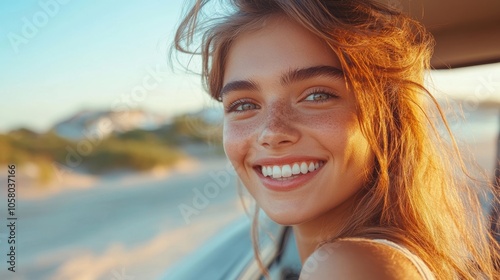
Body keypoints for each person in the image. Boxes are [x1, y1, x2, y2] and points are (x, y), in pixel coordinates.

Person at [174, 0, 500, 278]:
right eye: (244, 105)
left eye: (316, 96)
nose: (272, 132)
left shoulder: (349, 266)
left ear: (386, 118)